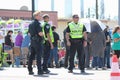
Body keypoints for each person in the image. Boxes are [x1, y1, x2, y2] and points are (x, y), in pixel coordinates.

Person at [28, 11, 44, 75]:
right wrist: (43, 36)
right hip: (38, 42)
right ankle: (39, 70)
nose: (41, 16)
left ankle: (30, 70)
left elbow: (29, 34)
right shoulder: (38, 24)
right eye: (40, 15)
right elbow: (40, 33)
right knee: (39, 56)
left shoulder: (31, 24)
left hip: (32, 41)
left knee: (31, 56)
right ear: (36, 16)